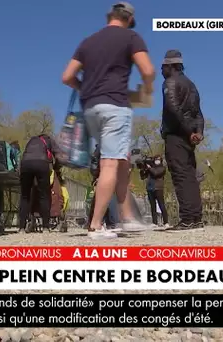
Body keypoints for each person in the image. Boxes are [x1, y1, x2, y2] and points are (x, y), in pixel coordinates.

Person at [61, 2, 155, 239]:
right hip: (115, 106)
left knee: (121, 160)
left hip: (91, 108)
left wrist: (85, 89)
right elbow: (147, 70)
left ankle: (127, 217)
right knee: (110, 165)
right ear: (129, 20)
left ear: (109, 17)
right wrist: (147, 90)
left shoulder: (88, 41)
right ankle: (95, 225)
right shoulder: (131, 37)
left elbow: (67, 76)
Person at [160, 50, 205, 232]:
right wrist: (198, 132)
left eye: (163, 67)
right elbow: (199, 113)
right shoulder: (191, 85)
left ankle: (187, 219)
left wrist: (188, 131)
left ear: (171, 66)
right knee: (190, 176)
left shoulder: (170, 82)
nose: (161, 70)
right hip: (188, 138)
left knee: (180, 176)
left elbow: (173, 108)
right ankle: (196, 218)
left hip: (176, 135)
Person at [19, 134, 61, 232]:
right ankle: (46, 227)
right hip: (42, 163)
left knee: (25, 196)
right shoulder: (49, 140)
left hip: (25, 163)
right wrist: (56, 168)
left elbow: (24, 154)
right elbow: (59, 156)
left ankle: (21, 227)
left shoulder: (31, 140)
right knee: (44, 195)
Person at [87, 145, 118, 230]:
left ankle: (107, 223)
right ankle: (103, 223)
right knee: (102, 199)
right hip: (102, 177)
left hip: (108, 177)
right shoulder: (102, 147)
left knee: (104, 199)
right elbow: (94, 162)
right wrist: (97, 175)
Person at [139, 155, 169, 227]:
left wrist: (149, 168)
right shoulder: (151, 168)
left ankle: (166, 222)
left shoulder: (162, 168)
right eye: (155, 159)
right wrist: (143, 169)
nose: (156, 160)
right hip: (150, 188)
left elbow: (156, 173)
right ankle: (154, 222)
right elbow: (143, 177)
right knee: (153, 206)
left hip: (158, 188)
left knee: (161, 205)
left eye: (158, 159)